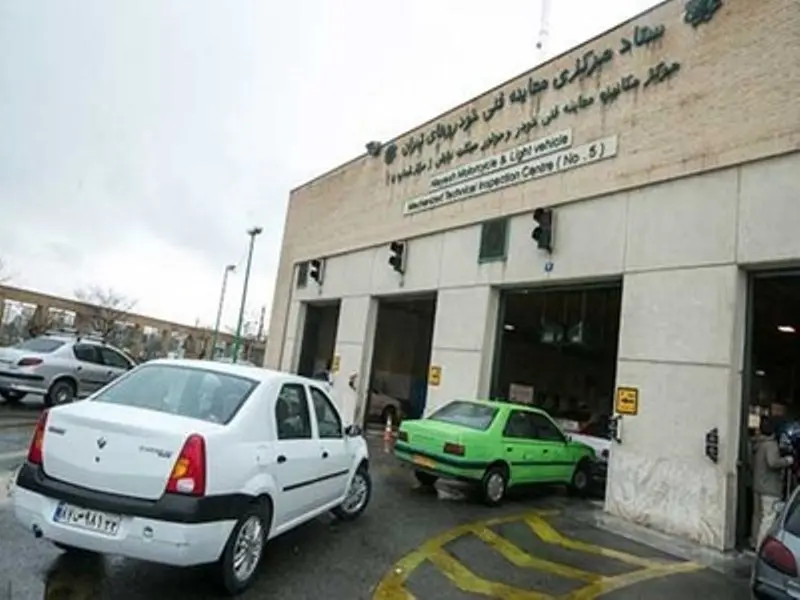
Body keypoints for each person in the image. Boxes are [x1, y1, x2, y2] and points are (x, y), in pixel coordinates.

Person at [752, 416, 794, 548]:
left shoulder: (758, 443)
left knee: (758, 517)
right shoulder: (771, 445)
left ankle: (754, 541)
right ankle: (761, 547)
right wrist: (787, 461)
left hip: (758, 485)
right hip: (770, 488)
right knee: (768, 519)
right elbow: (772, 462)